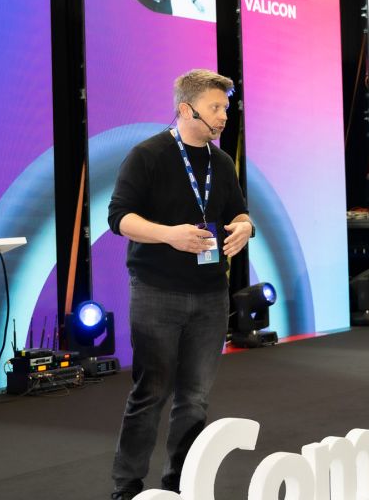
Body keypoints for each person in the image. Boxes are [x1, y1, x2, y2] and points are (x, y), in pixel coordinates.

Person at [108, 68, 254, 499]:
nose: (224, 115)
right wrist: (169, 234)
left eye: (225, 107)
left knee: (195, 397)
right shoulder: (148, 155)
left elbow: (238, 211)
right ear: (187, 110)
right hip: (157, 291)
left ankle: (180, 482)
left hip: (211, 295)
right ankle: (127, 485)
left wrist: (245, 227)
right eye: (216, 107)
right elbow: (119, 217)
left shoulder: (221, 162)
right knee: (150, 392)